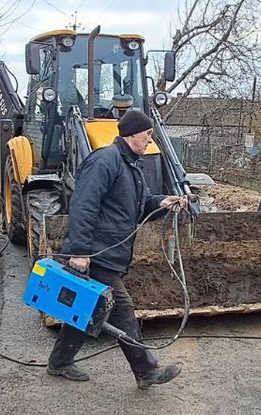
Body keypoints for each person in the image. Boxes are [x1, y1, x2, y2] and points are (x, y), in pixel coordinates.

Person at [46, 110, 189, 389]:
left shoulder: (131, 165)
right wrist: (80, 251)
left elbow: (140, 204)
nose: (150, 140)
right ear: (132, 134)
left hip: (109, 251)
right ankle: (146, 371)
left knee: (86, 306)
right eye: (147, 135)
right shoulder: (105, 160)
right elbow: (83, 206)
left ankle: (59, 361)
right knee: (122, 310)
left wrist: (162, 203)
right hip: (98, 252)